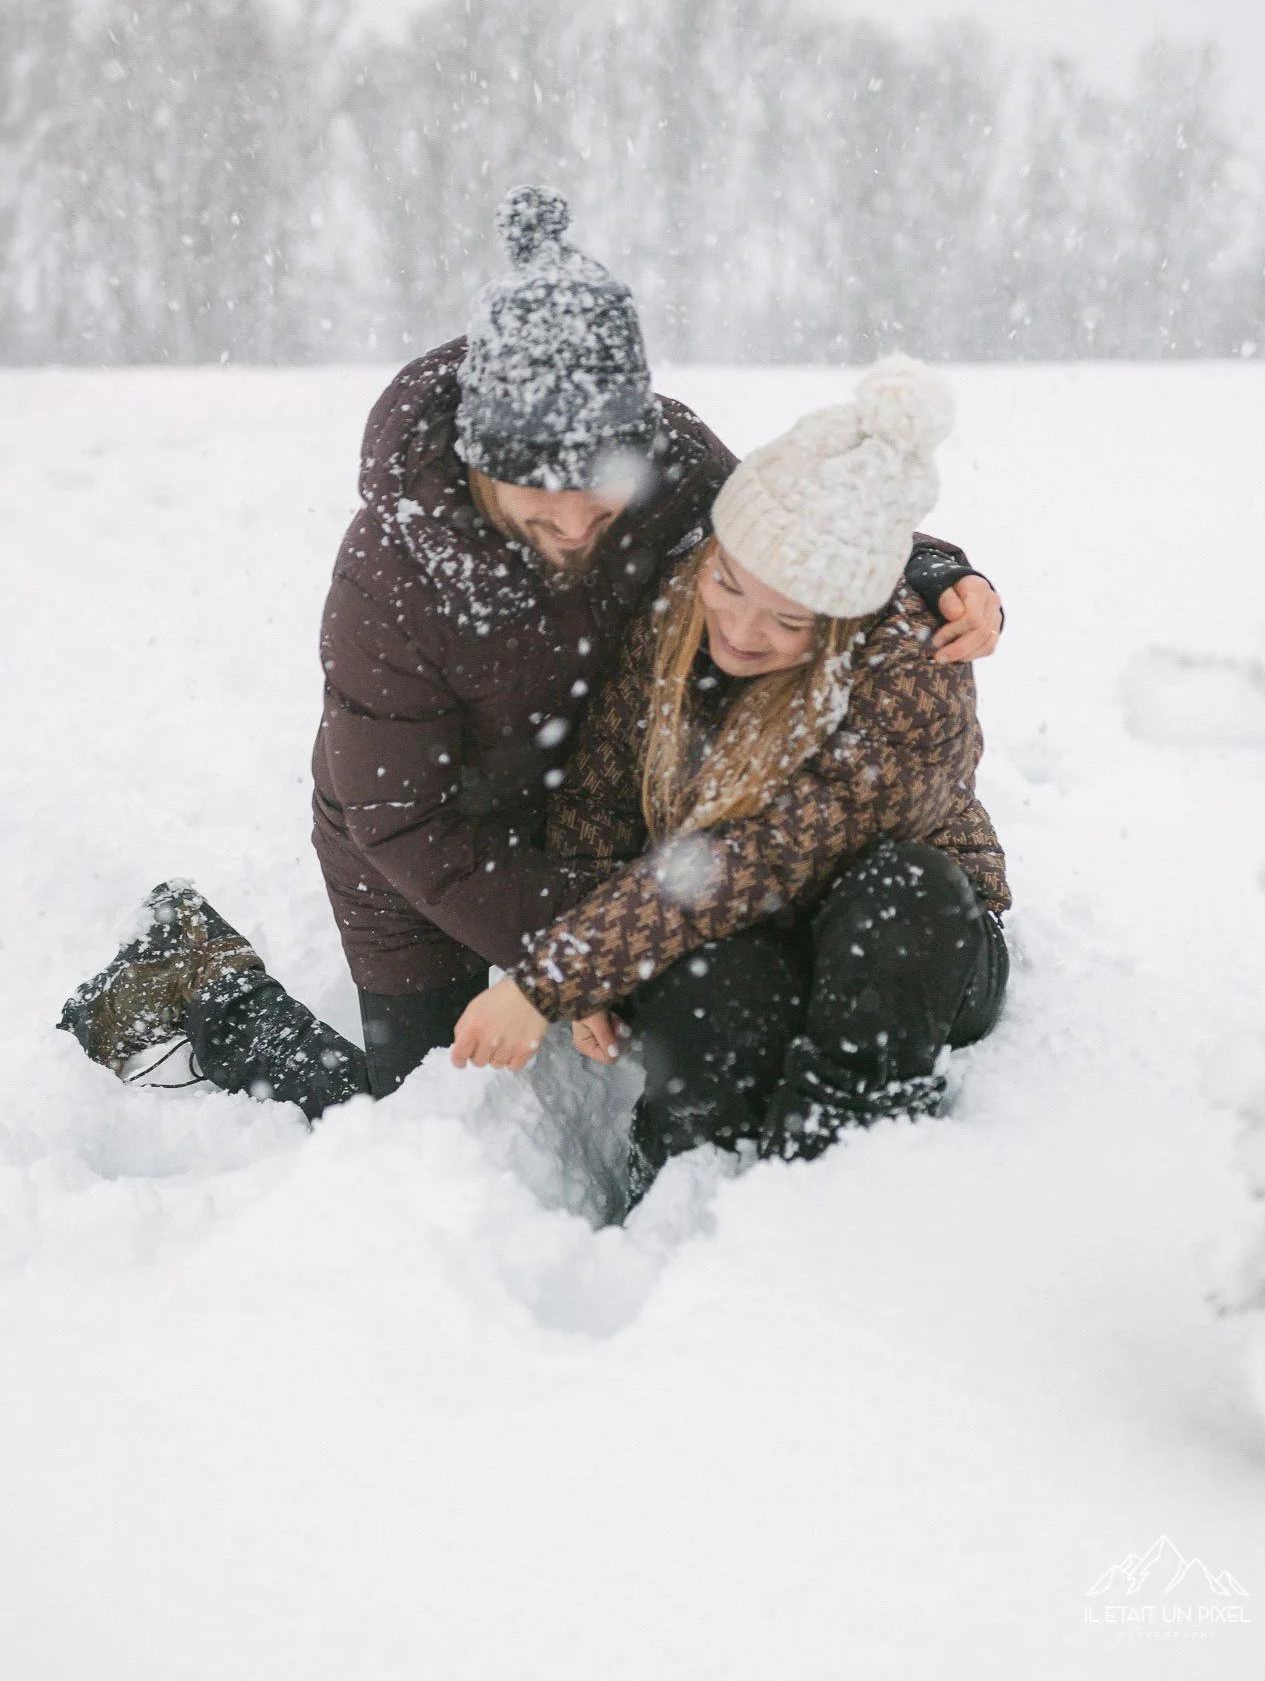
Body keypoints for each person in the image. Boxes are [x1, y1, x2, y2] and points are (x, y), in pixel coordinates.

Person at [58, 189, 1004, 1119]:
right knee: (424, 1108)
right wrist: (567, 958)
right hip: (437, 848)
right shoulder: (394, 567)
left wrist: (929, 566)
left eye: (599, 489)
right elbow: (400, 821)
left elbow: (795, 529)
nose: (574, 518)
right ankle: (203, 991)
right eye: (537, 490)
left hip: (601, 816)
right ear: (478, 451)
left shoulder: (670, 460)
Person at [449, 355, 1009, 1199]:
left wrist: (558, 975)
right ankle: (684, 1189)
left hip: (910, 957)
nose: (741, 631)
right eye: (728, 583)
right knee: (715, 980)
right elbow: (598, 801)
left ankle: (838, 1176)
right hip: (732, 928)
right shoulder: (678, 605)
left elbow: (756, 857)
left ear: (844, 618)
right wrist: (585, 951)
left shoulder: (912, 672)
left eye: (789, 620)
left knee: (905, 889)